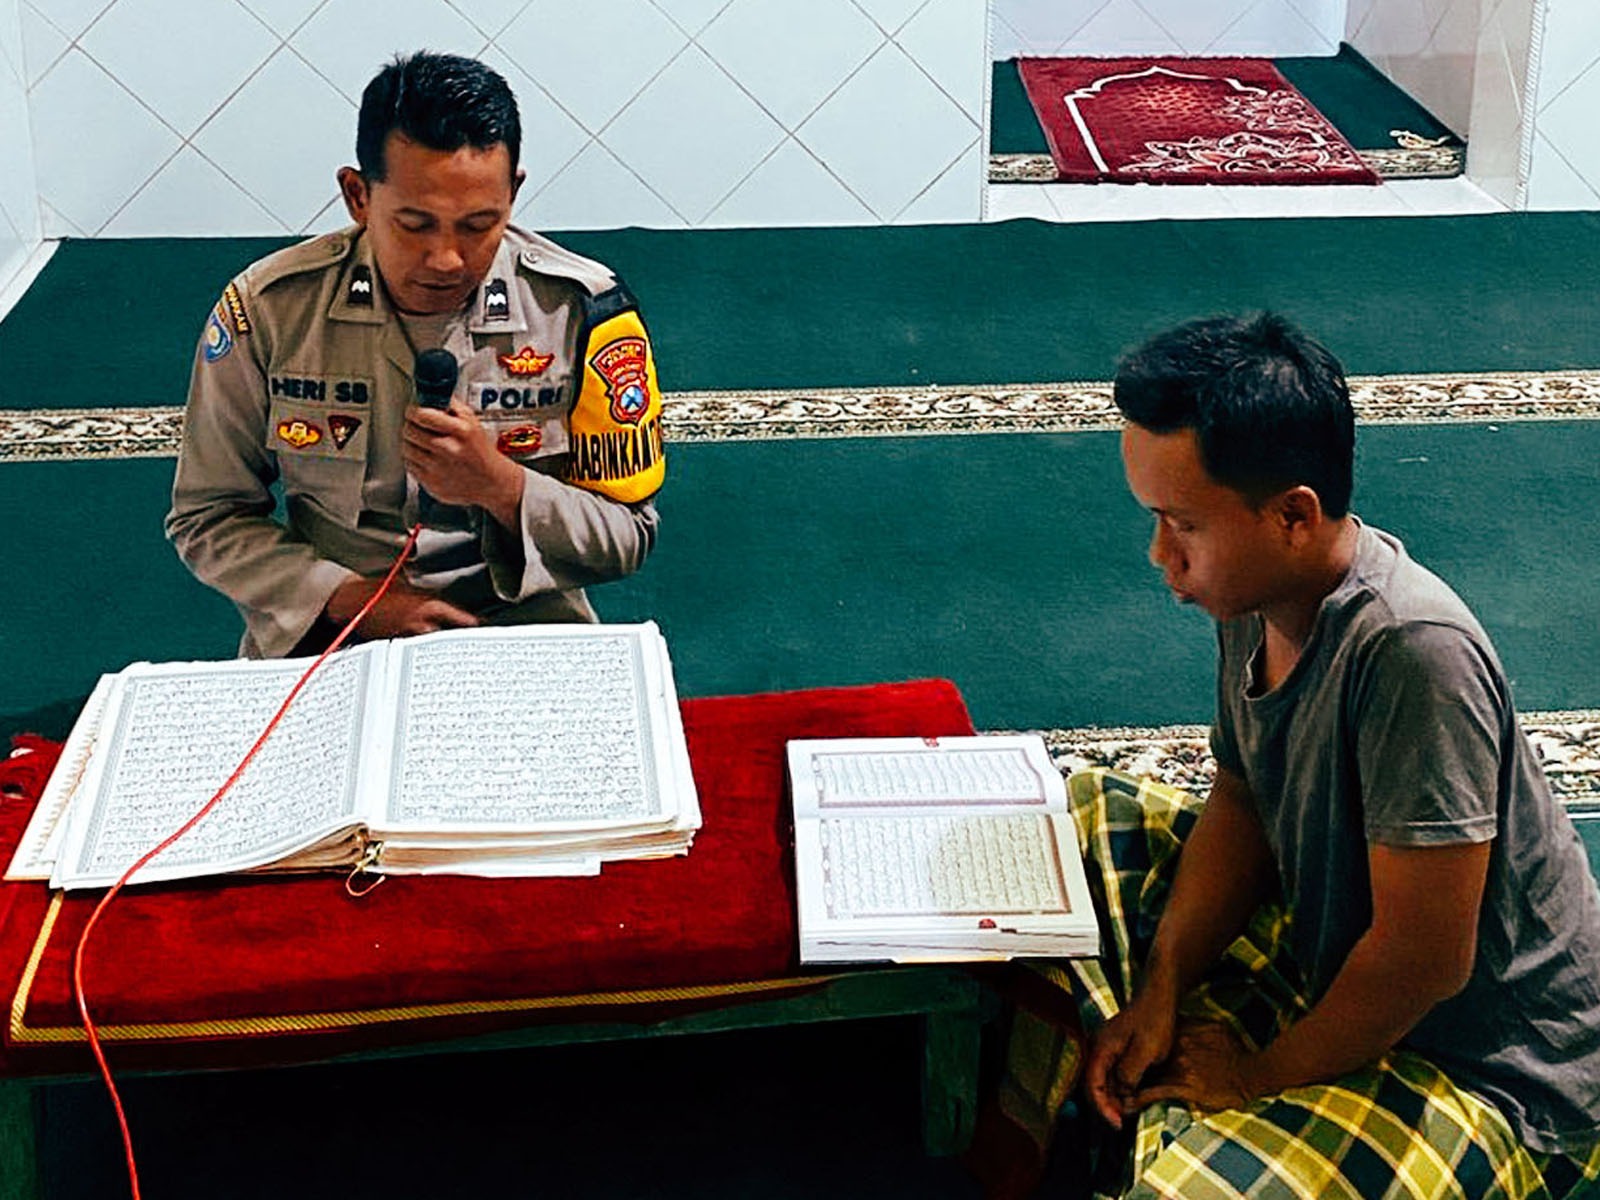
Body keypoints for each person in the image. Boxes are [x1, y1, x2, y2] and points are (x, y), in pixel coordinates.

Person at [1072, 314, 1600, 1197]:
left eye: (1182, 525)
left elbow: (1426, 962)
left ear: (1292, 516)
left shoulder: (1412, 652)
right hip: (1341, 949)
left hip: (1489, 1065)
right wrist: (1162, 988)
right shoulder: (1251, 592)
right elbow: (1244, 798)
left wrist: (1255, 1078)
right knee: (1088, 813)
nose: (1160, 555)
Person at [167, 52, 664, 658]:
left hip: (522, 632)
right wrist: (345, 597)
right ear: (357, 195)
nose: (446, 259)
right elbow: (207, 515)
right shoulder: (270, 310)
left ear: (515, 193)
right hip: (331, 634)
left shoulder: (582, 312)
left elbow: (628, 536)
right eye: (415, 223)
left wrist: (500, 485)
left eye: (480, 224)